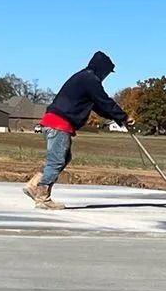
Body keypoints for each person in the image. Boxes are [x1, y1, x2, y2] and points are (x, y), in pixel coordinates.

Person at [25, 51, 131, 209]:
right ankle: (42, 197)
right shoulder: (90, 79)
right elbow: (104, 101)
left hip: (52, 122)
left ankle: (35, 184)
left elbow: (98, 105)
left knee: (62, 157)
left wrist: (119, 119)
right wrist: (124, 117)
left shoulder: (83, 78)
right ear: (102, 68)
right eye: (107, 72)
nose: (106, 76)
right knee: (57, 160)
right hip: (59, 125)